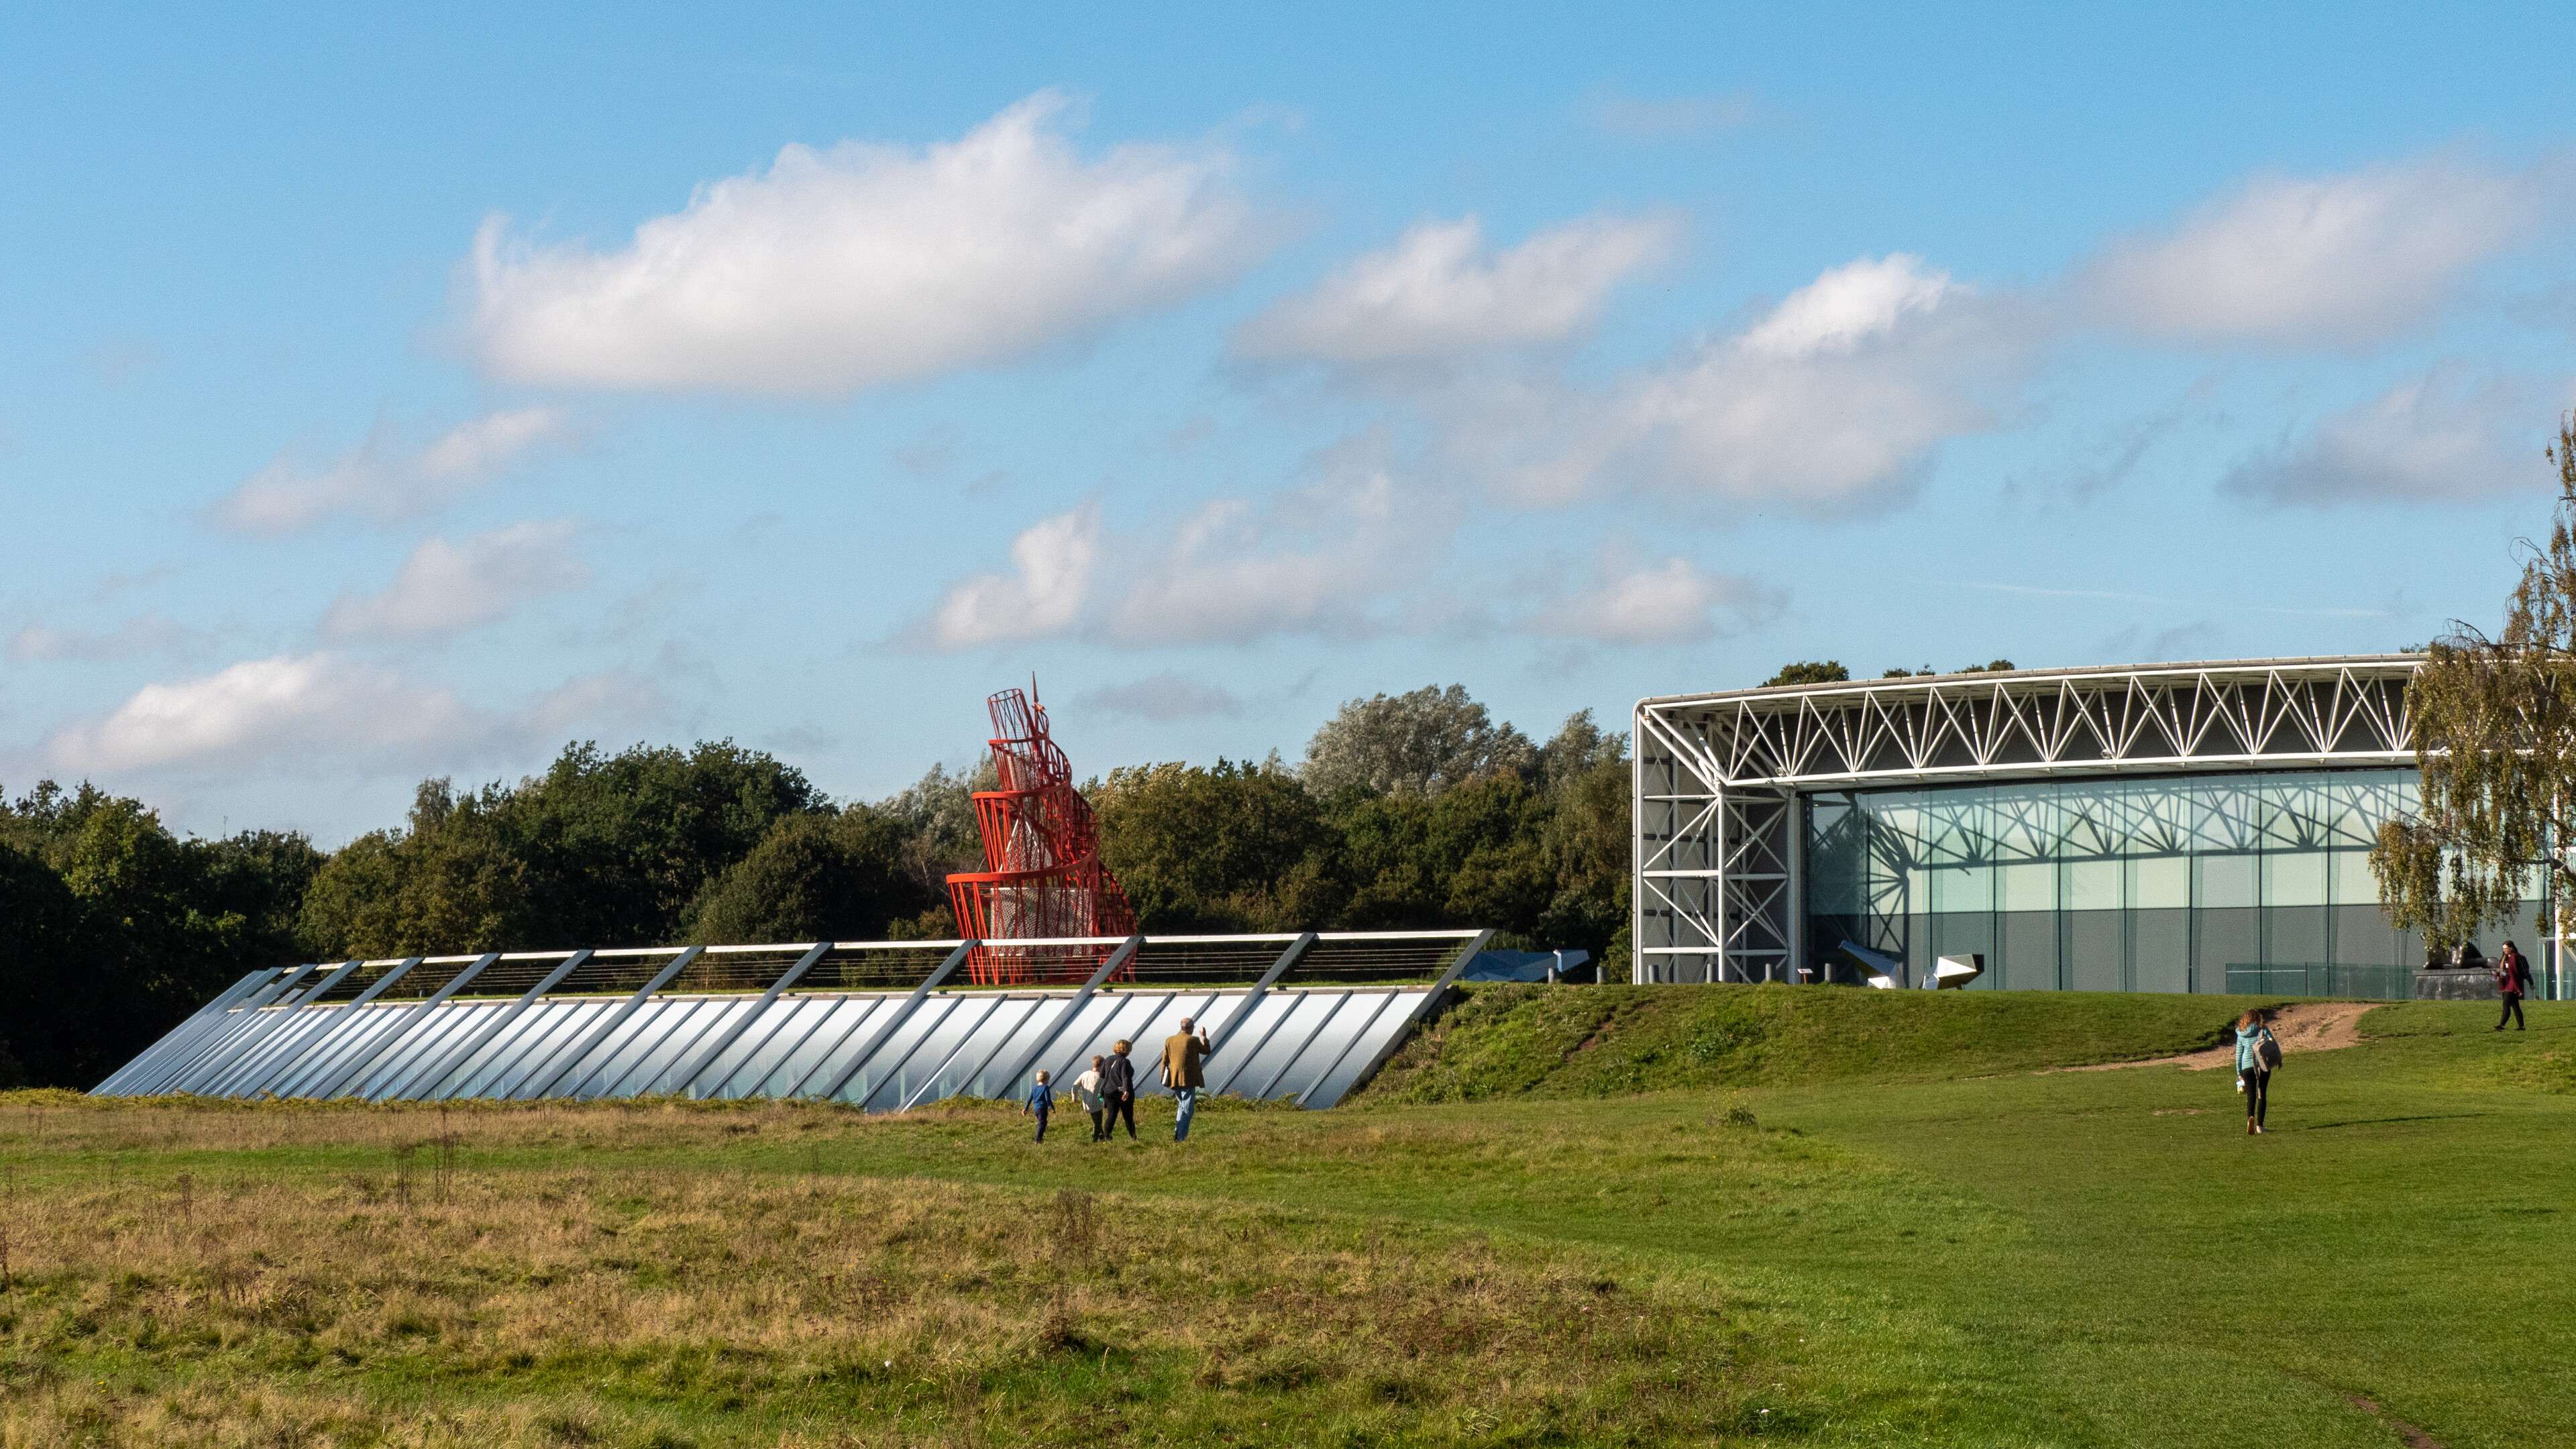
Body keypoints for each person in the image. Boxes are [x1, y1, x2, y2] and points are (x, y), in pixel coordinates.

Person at [1161, 1016, 1215, 1142]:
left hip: (1174, 1078)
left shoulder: (1170, 1040)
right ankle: (1181, 1137)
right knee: (1188, 1110)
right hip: (1188, 1079)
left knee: (1182, 1106)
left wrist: (1163, 1076)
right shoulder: (1193, 1040)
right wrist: (1203, 1037)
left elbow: (1164, 1059)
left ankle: (1177, 1132)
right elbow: (1206, 1051)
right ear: (1191, 1028)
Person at [2233, 1008, 2278, 1135]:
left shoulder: (2240, 1033)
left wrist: (2239, 1072)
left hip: (2247, 1066)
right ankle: (2260, 1126)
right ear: (2257, 1018)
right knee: (2261, 1093)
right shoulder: (2262, 1029)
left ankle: (2250, 1118)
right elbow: (2273, 1044)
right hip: (2262, 1064)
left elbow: (2238, 1054)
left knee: (2251, 1095)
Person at [1099, 1039, 1138, 1140]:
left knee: (1111, 1116)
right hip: (1122, 1093)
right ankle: (1133, 1137)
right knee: (1128, 1117)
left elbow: (1102, 1074)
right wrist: (1126, 1091)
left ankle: (1107, 1136)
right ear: (1127, 1050)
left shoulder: (1108, 1059)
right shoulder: (1125, 1061)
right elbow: (1125, 1076)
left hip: (1109, 1092)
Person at [2495, 941, 2534, 1031]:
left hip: (2514, 984)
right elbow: (2505, 973)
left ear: (2511, 948)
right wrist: (2499, 974)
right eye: (2503, 949)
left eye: (2506, 948)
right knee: (2515, 1006)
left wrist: (2531, 983)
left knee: (2506, 1004)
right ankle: (2522, 1027)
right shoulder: (2504, 959)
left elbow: (2525, 972)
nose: (2504, 950)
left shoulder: (2518, 958)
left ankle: (2502, 1025)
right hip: (2507, 984)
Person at [1074, 1055, 1109, 1140]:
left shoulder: (1085, 1074)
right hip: (1096, 1103)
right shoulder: (1101, 1077)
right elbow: (1102, 1093)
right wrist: (1105, 1102)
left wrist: (1074, 1098)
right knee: (1097, 1122)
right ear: (1102, 1065)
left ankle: (1102, 1136)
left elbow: (1075, 1086)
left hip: (1086, 1102)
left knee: (1096, 1120)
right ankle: (1095, 1138)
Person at [1024, 1069, 1055, 1143]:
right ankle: (1038, 1140)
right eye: (1048, 1079)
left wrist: (1025, 1109)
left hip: (1036, 1109)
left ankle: (1039, 1138)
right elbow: (1048, 1100)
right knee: (1042, 1124)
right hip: (1042, 1109)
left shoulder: (1034, 1088)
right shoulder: (1045, 1088)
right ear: (1046, 1079)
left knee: (1042, 1123)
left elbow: (1030, 1099)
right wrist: (1052, 1108)